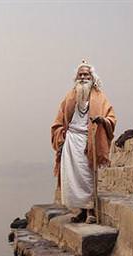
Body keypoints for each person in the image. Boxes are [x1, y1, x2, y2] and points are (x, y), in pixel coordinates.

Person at [51, 60, 116, 223]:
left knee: (87, 176)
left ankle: (90, 211)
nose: (83, 77)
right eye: (80, 75)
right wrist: (61, 135)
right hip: (71, 141)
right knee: (72, 178)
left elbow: (111, 117)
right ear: (76, 77)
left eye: (86, 74)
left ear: (92, 77)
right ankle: (80, 211)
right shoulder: (70, 96)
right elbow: (58, 121)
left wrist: (103, 120)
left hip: (89, 140)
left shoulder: (100, 97)